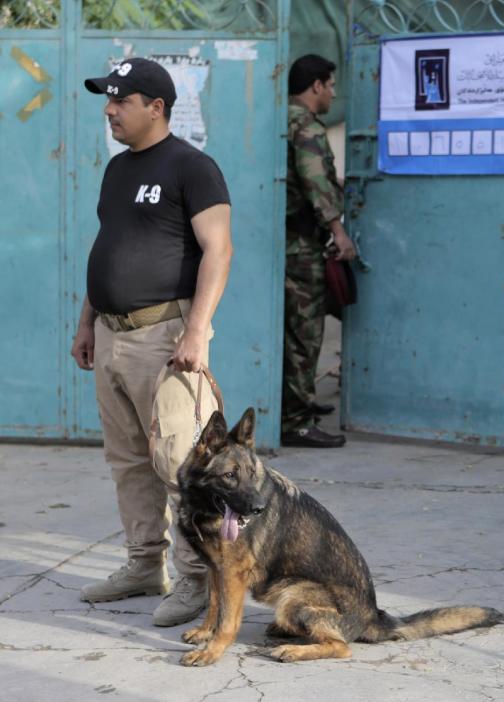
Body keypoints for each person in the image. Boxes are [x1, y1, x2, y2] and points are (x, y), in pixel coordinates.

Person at [70, 57, 233, 627]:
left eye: (121, 100)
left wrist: (195, 331)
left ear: (156, 107)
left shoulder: (193, 167)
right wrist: (87, 320)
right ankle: (144, 564)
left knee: (179, 462)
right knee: (127, 461)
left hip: (165, 336)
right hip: (113, 336)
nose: (109, 110)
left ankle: (194, 580)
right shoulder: (118, 171)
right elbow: (108, 245)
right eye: (107, 100)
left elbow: (219, 250)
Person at [281, 54, 356, 448]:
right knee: (305, 333)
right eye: (330, 85)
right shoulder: (306, 125)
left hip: (286, 242)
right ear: (315, 86)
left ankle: (299, 402)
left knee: (294, 330)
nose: (332, 93)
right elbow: (313, 181)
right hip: (300, 246)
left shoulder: (283, 119)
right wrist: (338, 230)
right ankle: (296, 422)